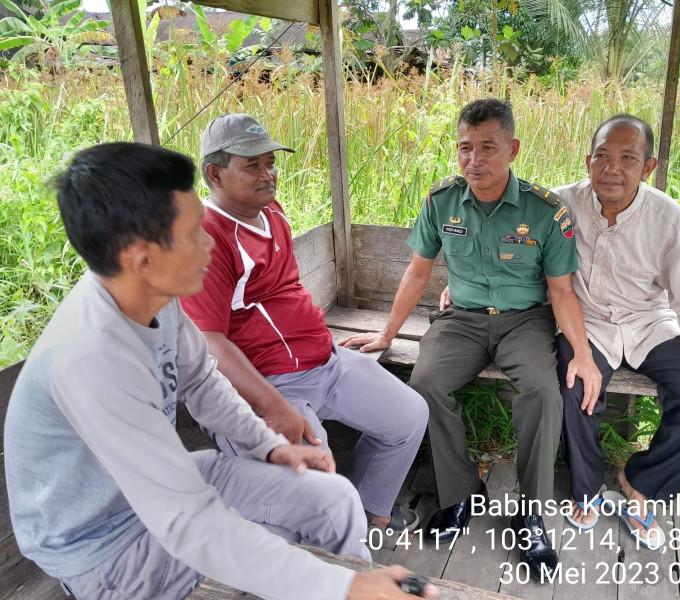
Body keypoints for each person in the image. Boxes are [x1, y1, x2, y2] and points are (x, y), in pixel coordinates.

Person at [3, 142, 435, 600]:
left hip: (166, 485)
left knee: (334, 500)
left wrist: (270, 447)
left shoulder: (155, 299)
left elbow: (203, 382)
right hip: (105, 543)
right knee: (281, 554)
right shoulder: (92, 360)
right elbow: (188, 523)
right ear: (142, 258)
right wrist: (341, 586)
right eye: (194, 232)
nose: (210, 241)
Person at [340, 99, 601, 581]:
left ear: (513, 149)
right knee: (425, 383)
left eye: (487, 148)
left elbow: (562, 291)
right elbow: (418, 272)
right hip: (460, 318)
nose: (474, 160)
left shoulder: (545, 212)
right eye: (465, 148)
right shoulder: (441, 201)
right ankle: (461, 494)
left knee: (543, 392)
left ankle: (532, 512)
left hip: (526, 321)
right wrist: (387, 332)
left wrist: (582, 355)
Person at [179, 114, 429, 533]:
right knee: (312, 485)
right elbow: (208, 341)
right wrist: (271, 407)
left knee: (408, 416)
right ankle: (319, 546)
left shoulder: (270, 212)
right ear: (214, 173)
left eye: (270, 163)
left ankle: (369, 511)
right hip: (270, 384)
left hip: (325, 359)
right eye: (252, 165)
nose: (268, 175)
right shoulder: (207, 237)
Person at [552, 114, 680, 549]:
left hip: (649, 322)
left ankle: (641, 483)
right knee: (574, 382)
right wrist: (466, 281)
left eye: (627, 158)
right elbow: (514, 242)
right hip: (589, 323)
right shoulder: (560, 204)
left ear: (648, 167)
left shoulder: (668, 220)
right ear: (588, 161)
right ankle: (586, 491)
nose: (612, 169)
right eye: (602, 156)